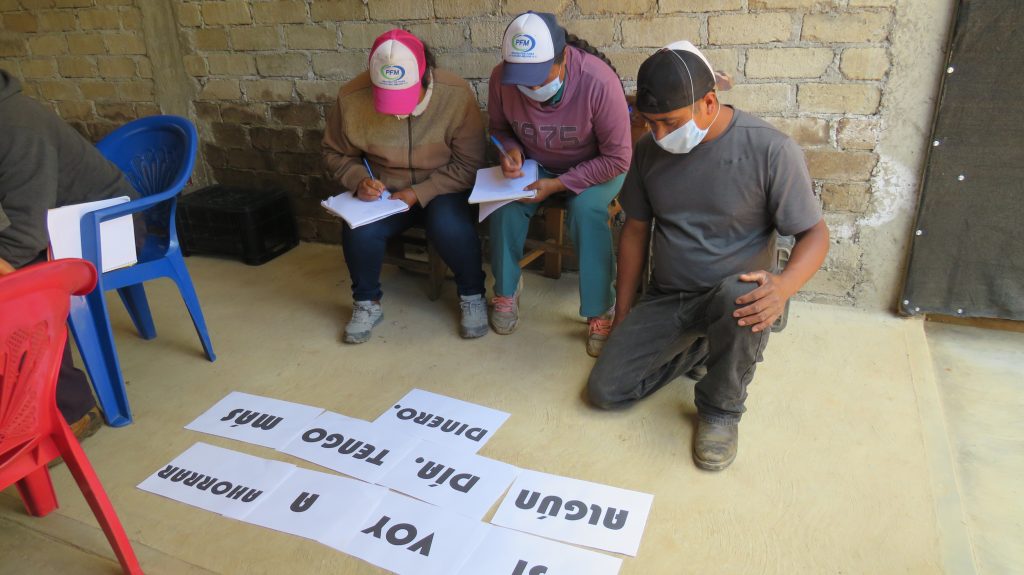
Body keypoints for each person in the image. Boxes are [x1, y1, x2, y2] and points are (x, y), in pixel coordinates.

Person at [587, 42, 830, 471]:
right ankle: (704, 348)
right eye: (650, 123)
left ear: (709, 103)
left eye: (669, 122)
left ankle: (721, 409)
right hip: (669, 294)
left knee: (742, 296)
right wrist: (623, 312)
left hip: (735, 298)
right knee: (606, 392)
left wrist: (783, 287)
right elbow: (635, 231)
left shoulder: (770, 150)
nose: (659, 134)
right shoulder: (648, 151)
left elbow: (815, 234)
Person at [0, 68, 142, 440]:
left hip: (107, 229)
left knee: (19, 290)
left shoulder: (15, 128)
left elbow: (25, 234)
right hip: (53, 225)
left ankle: (73, 409)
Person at [322, 30, 489, 343]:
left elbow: (469, 164)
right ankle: (366, 302)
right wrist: (359, 181)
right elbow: (335, 153)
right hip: (386, 192)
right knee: (359, 229)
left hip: (442, 186)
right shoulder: (351, 97)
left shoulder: (455, 94)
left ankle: (472, 294)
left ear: (425, 76)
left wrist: (418, 193)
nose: (399, 111)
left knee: (450, 225)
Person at [487, 11, 632, 357]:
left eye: (540, 77)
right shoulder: (500, 80)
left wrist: (559, 185)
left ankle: (600, 309)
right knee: (503, 205)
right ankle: (505, 290)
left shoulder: (598, 82)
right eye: (524, 81)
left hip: (598, 166)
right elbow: (499, 128)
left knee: (586, 211)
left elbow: (618, 158)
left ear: (563, 58)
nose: (533, 89)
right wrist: (510, 151)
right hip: (537, 165)